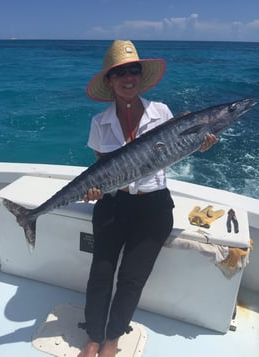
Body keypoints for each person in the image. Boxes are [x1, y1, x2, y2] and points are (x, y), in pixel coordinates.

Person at [78, 40, 217, 357]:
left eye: (134, 70)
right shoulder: (99, 122)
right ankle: (92, 338)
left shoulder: (163, 113)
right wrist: (96, 190)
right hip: (113, 205)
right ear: (110, 81)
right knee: (100, 274)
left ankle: (112, 340)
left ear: (140, 75)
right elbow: (102, 167)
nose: (129, 77)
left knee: (131, 279)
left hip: (153, 208)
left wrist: (200, 144)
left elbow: (175, 150)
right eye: (121, 72)